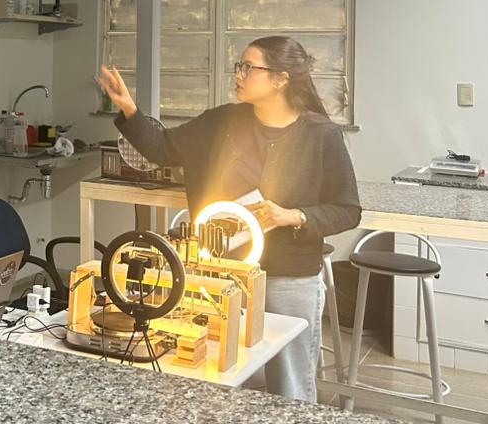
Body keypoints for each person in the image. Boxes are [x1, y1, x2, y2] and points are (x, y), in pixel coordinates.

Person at [97, 35, 359, 402]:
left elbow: (347, 209)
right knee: (219, 374)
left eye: (249, 67)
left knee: (291, 386)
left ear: (281, 79)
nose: (238, 74)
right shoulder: (222, 121)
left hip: (288, 277)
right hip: (223, 275)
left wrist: (295, 216)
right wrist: (129, 110)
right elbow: (163, 148)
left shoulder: (321, 135)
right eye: (240, 66)